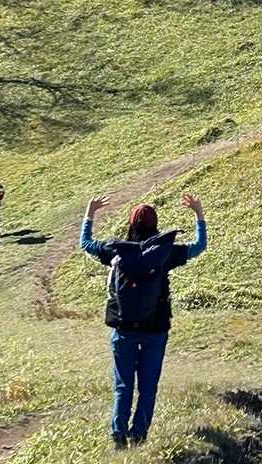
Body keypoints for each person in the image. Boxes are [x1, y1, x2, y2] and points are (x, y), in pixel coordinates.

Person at [81, 191, 206, 449]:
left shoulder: (115, 251)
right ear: (155, 224)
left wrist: (90, 214)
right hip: (156, 329)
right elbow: (199, 246)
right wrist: (199, 215)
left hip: (123, 328)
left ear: (131, 223)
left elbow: (85, 243)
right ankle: (139, 436)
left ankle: (118, 435)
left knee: (123, 385)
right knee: (148, 386)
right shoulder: (165, 252)